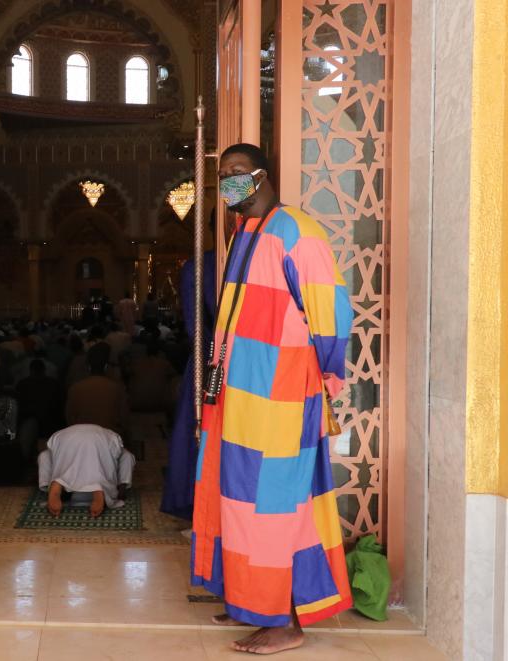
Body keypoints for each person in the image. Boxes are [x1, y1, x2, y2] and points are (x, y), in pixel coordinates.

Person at [191, 143, 353, 654]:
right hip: (237, 397)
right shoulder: (244, 233)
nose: (229, 182)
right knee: (234, 497)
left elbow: (332, 314)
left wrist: (326, 379)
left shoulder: (299, 233)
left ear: (262, 176)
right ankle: (247, 598)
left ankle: (283, 620)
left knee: (275, 505)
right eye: (223, 175)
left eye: (237, 173)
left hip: (281, 397)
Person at [161, 211, 217, 521]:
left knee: (204, 431)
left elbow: (195, 330)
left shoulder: (198, 268)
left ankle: (204, 505)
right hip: (253, 360)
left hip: (210, 362)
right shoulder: (201, 267)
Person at [38, 424, 135, 518]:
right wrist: (120, 493)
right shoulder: (110, 434)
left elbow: (45, 458)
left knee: (45, 455)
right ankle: (99, 486)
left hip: (64, 436)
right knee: (126, 456)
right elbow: (127, 458)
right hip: (103, 438)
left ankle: (58, 483)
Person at [65, 342, 128, 436]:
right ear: (106, 366)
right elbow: (124, 420)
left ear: (88, 366)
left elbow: (69, 419)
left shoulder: (75, 388)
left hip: (82, 437)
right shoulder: (117, 388)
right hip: (109, 438)